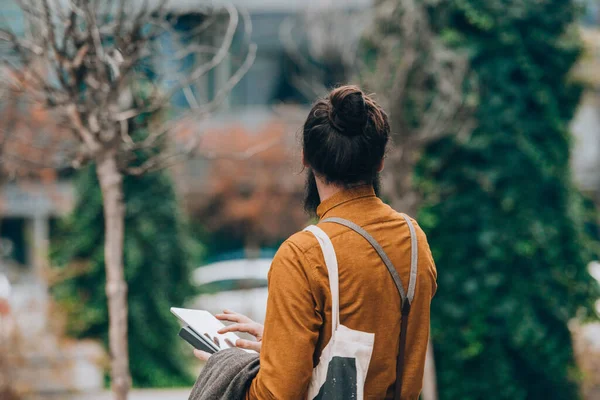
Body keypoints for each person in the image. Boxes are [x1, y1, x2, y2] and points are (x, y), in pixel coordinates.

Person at [193, 85, 437, 400]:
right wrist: (278, 344)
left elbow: (275, 396)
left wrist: (228, 362)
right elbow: (381, 347)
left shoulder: (303, 255)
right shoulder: (414, 241)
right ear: (379, 163)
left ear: (306, 158)